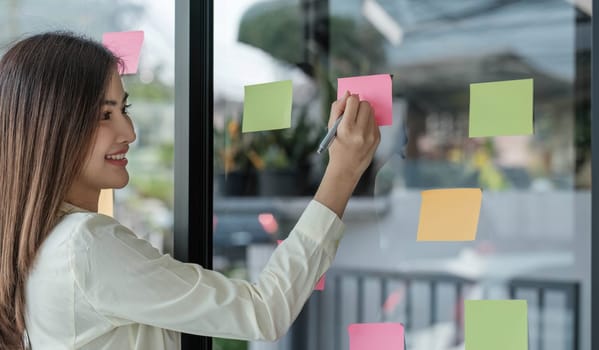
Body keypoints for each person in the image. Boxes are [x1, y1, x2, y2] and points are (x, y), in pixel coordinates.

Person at [0, 31, 380, 350]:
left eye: (124, 109)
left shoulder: (40, 244)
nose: (129, 132)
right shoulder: (83, 245)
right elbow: (263, 311)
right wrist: (343, 171)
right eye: (105, 115)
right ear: (51, 128)